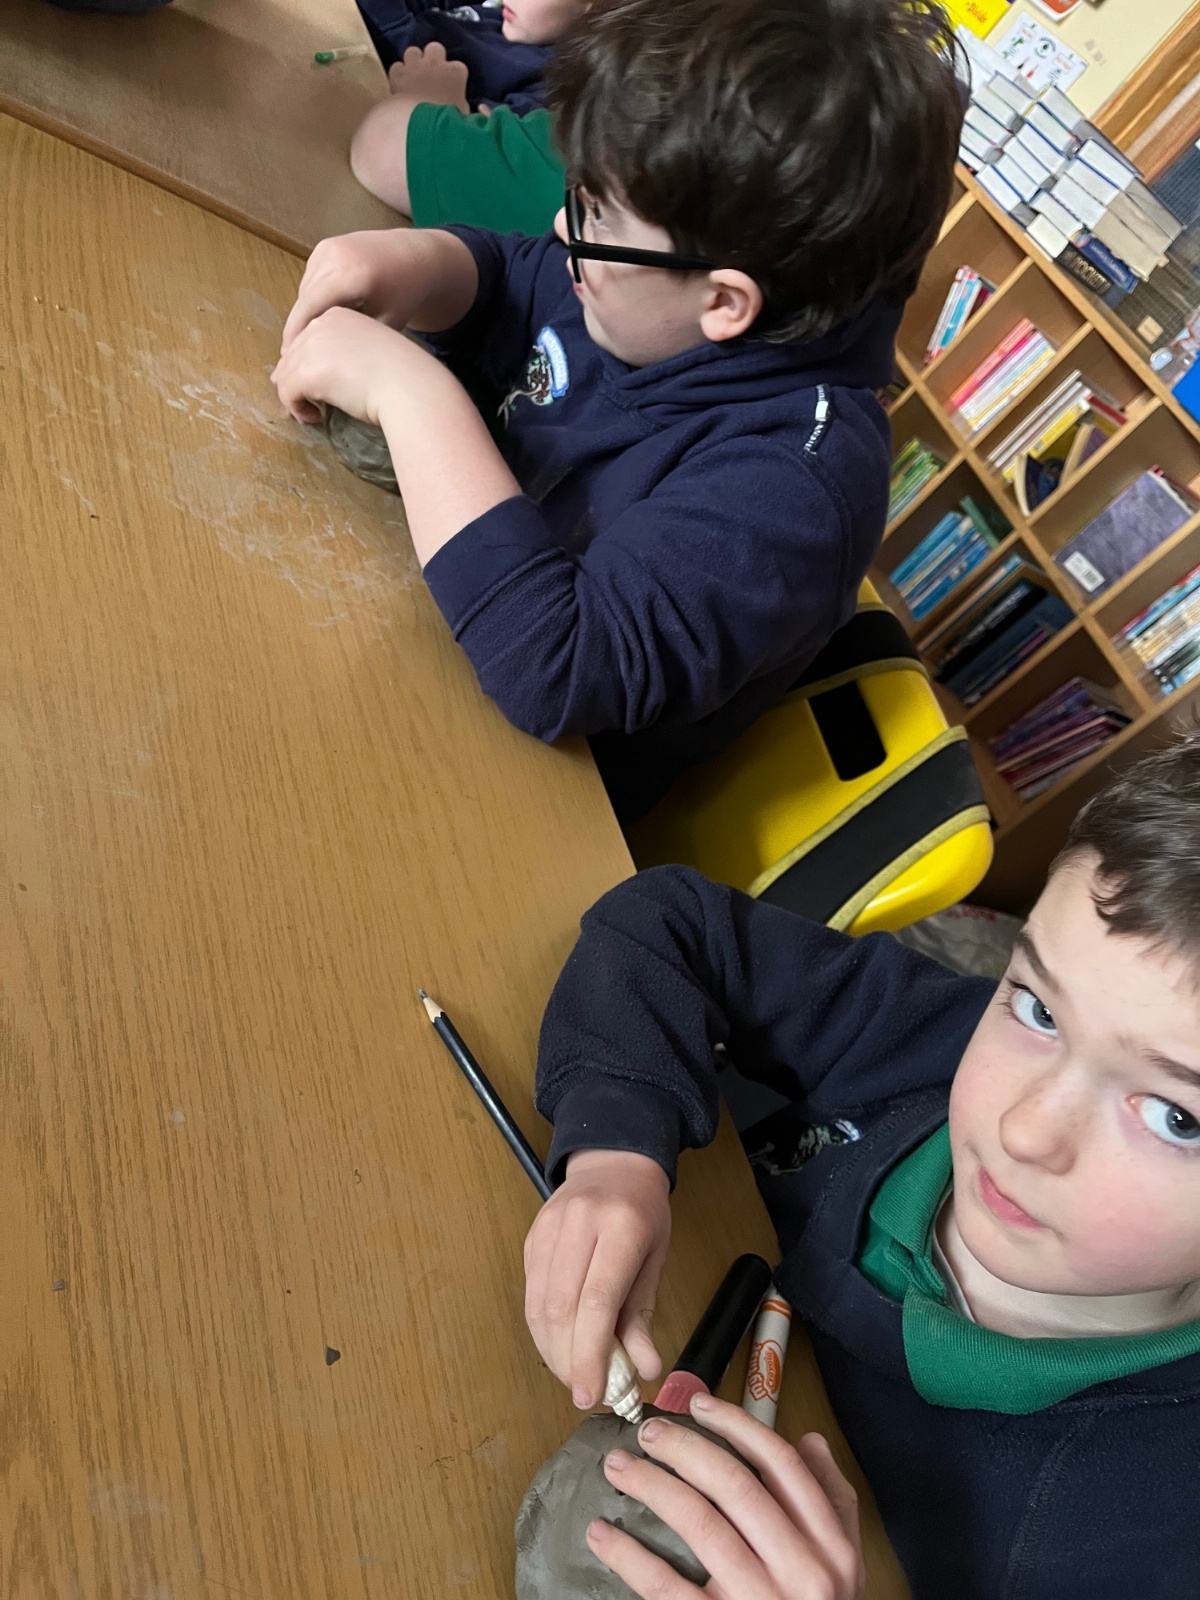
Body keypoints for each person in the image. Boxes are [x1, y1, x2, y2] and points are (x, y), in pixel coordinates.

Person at [523, 734, 1200, 1599]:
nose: (1026, 1130)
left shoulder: (1150, 1540)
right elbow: (671, 924)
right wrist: (616, 1150)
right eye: (1037, 1008)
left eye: (1177, 1117)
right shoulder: (939, 1042)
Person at [272, 0, 963, 823]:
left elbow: (558, 666)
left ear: (725, 302)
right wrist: (428, 262)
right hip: (432, 631)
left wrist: (411, 393)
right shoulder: (641, 299)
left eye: (596, 212)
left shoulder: (793, 491)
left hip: (520, 796)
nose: (562, 225)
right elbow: (516, 276)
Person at [349, 0, 570, 233]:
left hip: (389, 152)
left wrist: (437, 102)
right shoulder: (510, 19)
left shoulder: (547, 88)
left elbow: (471, 146)